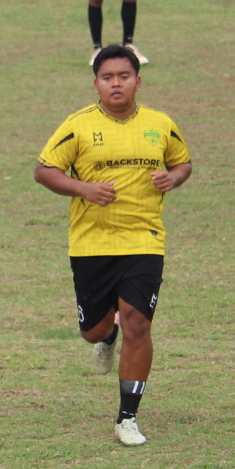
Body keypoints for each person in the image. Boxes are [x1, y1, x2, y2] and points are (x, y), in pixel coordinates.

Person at [33, 46, 191, 448]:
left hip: (144, 239)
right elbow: (44, 170)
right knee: (94, 329)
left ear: (138, 81)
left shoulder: (160, 124)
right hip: (91, 244)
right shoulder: (78, 126)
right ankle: (106, 339)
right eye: (108, 77)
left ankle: (127, 417)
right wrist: (83, 188)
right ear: (96, 84)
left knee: (137, 321)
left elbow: (182, 162)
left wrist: (173, 179)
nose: (116, 83)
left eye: (124, 76)